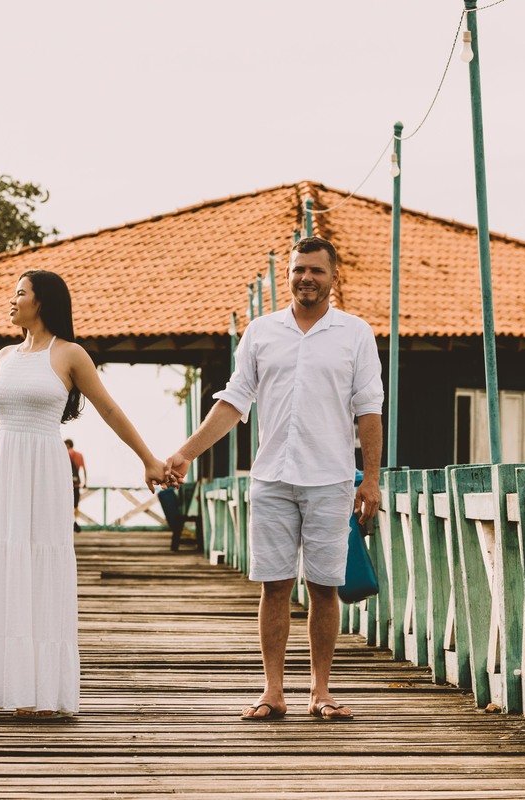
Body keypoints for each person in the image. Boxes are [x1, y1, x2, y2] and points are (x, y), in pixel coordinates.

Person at [165, 237, 383, 722]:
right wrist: (185, 453)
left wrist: (370, 478)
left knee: (324, 587)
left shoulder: (355, 333)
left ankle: (321, 691)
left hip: (331, 478)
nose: (307, 278)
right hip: (272, 477)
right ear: (288, 274)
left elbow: (369, 408)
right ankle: (273, 691)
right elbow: (234, 401)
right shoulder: (261, 332)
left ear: (333, 277)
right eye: (299, 269)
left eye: (317, 270)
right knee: (274, 585)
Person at [0, 269, 167, 718]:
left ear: (42, 302)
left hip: (43, 471)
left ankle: (40, 693)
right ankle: (8, 686)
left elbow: (109, 408)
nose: (11, 301)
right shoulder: (4, 356)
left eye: (20, 294)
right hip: (0, 473)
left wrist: (148, 459)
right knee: (1, 570)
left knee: (40, 568)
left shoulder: (70, 354)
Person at [64, 438, 86, 531]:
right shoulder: (79, 455)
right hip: (76, 484)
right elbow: (84, 469)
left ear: (68, 445)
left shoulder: (65, 453)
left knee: (65, 505)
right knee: (76, 506)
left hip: (66, 485)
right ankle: (75, 521)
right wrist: (85, 482)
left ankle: (68, 522)